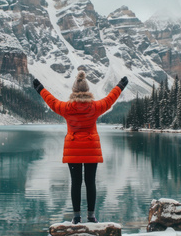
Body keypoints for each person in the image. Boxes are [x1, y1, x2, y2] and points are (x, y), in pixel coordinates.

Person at [33, 71, 128, 224]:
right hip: (91, 149)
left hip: (73, 150)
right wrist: (120, 86)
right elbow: (110, 100)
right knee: (90, 182)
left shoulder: (67, 108)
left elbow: (52, 102)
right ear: (87, 89)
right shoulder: (95, 107)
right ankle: (91, 216)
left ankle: (76, 217)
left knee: (76, 183)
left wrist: (40, 89)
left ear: (74, 90)